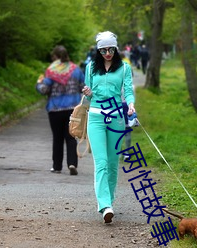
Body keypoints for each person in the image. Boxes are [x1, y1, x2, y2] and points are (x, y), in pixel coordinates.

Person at [82, 31, 135, 223]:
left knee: (113, 163)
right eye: (103, 50)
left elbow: (128, 90)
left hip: (116, 119)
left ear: (116, 48)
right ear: (98, 50)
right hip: (95, 117)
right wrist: (87, 92)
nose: (107, 53)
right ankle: (104, 205)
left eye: (111, 49)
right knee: (101, 162)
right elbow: (88, 96)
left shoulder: (124, 68)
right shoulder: (90, 68)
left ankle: (110, 201)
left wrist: (130, 104)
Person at [36, 45, 85, 175]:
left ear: (55, 57)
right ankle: (72, 163)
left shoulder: (51, 71)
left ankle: (57, 166)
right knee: (71, 137)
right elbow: (83, 87)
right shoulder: (76, 70)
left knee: (57, 138)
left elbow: (44, 90)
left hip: (55, 109)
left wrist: (39, 83)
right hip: (72, 109)